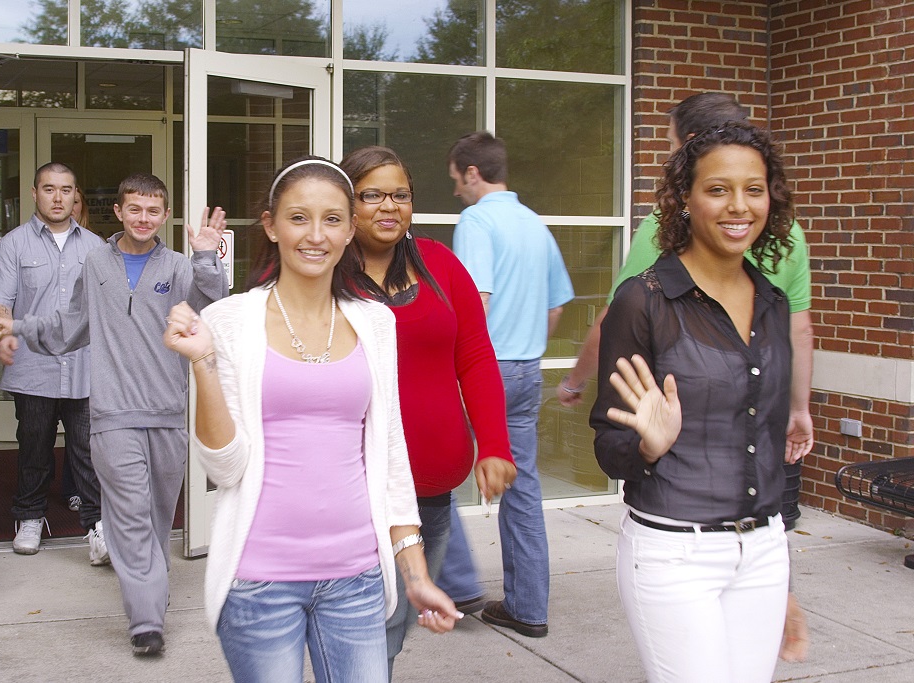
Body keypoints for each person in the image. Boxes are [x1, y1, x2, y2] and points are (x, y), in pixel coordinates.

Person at [162, 157, 459, 681]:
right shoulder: (228, 321)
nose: (315, 235)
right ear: (271, 226)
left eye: (331, 219)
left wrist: (414, 574)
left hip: (359, 580)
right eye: (298, 218)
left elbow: (390, 458)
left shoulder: (376, 323)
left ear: (349, 230)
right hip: (259, 582)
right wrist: (203, 363)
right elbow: (224, 468)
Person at [558, 92, 811, 661]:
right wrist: (646, 445)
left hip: (764, 550)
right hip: (676, 554)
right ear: (686, 200)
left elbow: (765, 442)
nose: (738, 206)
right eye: (717, 189)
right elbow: (609, 447)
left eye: (754, 188)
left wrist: (784, 578)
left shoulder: (772, 303)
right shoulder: (644, 302)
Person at [0, 173, 228, 657]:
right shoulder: (96, 262)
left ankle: (150, 596)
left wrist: (206, 256)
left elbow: (214, 311)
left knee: (158, 518)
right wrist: (21, 325)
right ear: (118, 211)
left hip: (167, 415)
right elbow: (68, 327)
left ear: (164, 216)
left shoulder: (180, 267)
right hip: (113, 414)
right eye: (134, 209)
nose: (143, 218)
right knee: (129, 514)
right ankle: (145, 622)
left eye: (153, 211)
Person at [338, 146, 516, 671]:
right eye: (372, 194)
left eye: (401, 194)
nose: (388, 205)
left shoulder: (440, 263)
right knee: (359, 620)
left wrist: (494, 445)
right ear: (348, 204)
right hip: (355, 486)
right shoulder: (327, 275)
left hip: (432, 489)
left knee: (395, 621)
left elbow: (477, 357)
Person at [439, 132, 575, 638]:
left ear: (472, 173)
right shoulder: (534, 224)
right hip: (525, 369)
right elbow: (556, 306)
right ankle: (527, 608)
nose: (456, 191)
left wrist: (455, 367)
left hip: (485, 369)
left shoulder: (477, 219)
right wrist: (526, 347)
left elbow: (477, 300)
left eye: (456, 180)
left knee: (433, 468)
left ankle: (458, 583)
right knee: (524, 489)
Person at [0, 162, 106, 561]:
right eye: (49, 189)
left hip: (84, 368)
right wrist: (5, 336)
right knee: (34, 446)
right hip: (33, 368)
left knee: (87, 450)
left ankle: (97, 526)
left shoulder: (97, 248)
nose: (57, 197)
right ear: (35, 193)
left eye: (65, 190)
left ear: (74, 196)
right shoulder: (13, 245)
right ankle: (30, 517)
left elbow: (109, 308)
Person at [60, 184, 92, 514]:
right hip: (50, 358)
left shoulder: (97, 249)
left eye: (75, 200)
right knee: (36, 439)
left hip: (87, 359)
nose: (68, 206)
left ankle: (82, 492)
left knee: (83, 435)